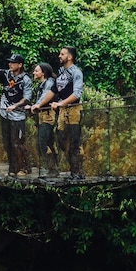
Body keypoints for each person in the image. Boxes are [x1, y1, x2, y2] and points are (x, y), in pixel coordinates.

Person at [50, 46, 84, 178]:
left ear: (69, 57)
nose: (59, 56)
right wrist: (38, 104)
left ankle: (78, 172)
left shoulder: (76, 72)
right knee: (62, 139)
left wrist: (60, 103)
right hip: (63, 111)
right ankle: (73, 169)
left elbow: (77, 94)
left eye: (62, 54)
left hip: (74, 110)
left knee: (74, 141)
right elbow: (54, 90)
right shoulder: (61, 71)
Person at [28, 62, 58, 177]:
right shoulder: (42, 84)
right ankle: (53, 168)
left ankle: (53, 169)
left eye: (36, 71)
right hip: (42, 116)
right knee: (49, 142)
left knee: (42, 142)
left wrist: (36, 105)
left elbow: (45, 97)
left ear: (43, 73)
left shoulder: (49, 82)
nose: (34, 73)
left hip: (48, 116)